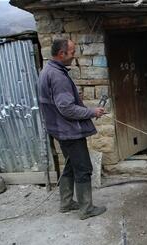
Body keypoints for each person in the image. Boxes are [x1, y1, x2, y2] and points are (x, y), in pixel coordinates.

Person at [38, 38, 106, 220]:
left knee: (69, 165)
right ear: (62, 54)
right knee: (83, 168)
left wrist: (75, 96)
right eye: (72, 52)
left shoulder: (48, 70)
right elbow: (66, 108)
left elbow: (58, 101)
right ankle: (86, 209)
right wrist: (92, 112)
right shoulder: (58, 76)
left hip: (59, 129)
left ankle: (66, 203)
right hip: (69, 131)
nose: (74, 55)